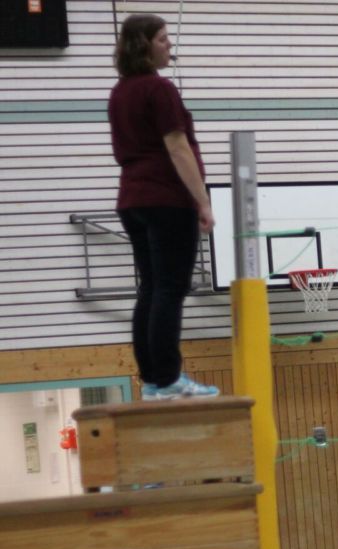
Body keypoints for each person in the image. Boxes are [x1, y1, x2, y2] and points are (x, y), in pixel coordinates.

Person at [108, 15, 219, 400]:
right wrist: (202, 201)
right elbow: (177, 146)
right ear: (143, 46)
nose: (169, 44)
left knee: (152, 287)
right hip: (166, 199)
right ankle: (169, 377)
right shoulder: (160, 90)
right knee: (170, 288)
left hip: (133, 200)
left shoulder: (120, 92)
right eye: (162, 38)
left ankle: (154, 379)